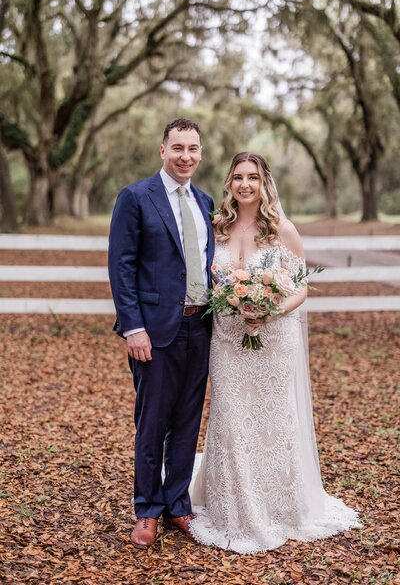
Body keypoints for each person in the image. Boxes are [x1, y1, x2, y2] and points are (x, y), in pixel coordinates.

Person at [189, 152, 360, 554]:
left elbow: (300, 288)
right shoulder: (216, 228)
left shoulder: (283, 230)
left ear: (264, 182)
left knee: (273, 422)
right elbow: (204, 280)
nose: (245, 184)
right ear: (229, 183)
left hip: (274, 340)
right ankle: (235, 510)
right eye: (237, 177)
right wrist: (230, 301)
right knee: (231, 420)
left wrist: (268, 312)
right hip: (228, 340)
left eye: (252, 177)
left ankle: (279, 506)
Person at [108, 118, 214, 549]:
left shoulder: (206, 202)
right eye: (177, 148)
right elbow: (122, 266)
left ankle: (177, 504)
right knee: (152, 424)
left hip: (202, 326)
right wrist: (133, 327)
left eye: (192, 148)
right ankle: (147, 510)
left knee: (188, 423)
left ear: (200, 153)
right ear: (162, 150)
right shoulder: (136, 198)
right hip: (153, 331)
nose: (185, 156)